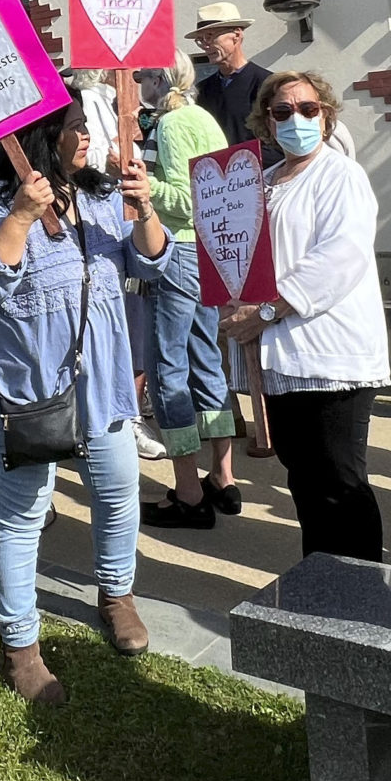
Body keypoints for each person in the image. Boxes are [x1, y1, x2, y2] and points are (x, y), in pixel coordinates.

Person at [0, 96, 171, 704]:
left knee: (117, 492)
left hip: (100, 381)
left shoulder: (104, 197)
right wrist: (23, 217)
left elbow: (155, 264)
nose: (87, 136)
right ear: (43, 135)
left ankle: (116, 595)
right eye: (77, 126)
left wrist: (145, 210)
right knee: (24, 511)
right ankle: (20, 642)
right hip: (28, 386)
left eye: (87, 126)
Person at [217, 71, 391, 561]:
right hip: (281, 360)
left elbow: (341, 256)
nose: (297, 118)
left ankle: (361, 597)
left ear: (326, 115)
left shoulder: (340, 175)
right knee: (306, 482)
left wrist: (269, 310)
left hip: (330, 358)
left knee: (339, 481)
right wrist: (232, 298)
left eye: (308, 109)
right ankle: (320, 589)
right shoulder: (263, 183)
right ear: (267, 124)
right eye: (282, 111)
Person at [139, 54, 242, 529]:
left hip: (180, 250)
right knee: (206, 360)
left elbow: (186, 198)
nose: (139, 82)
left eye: (142, 75)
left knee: (167, 370)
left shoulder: (174, 123)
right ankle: (223, 476)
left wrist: (142, 187)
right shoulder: (204, 118)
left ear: (162, 78)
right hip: (210, 252)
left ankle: (187, 488)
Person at [189, 3, 271, 149]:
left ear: (237, 35)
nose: (205, 45)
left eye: (210, 36)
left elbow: (277, 143)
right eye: (200, 40)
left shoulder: (268, 84)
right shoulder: (202, 89)